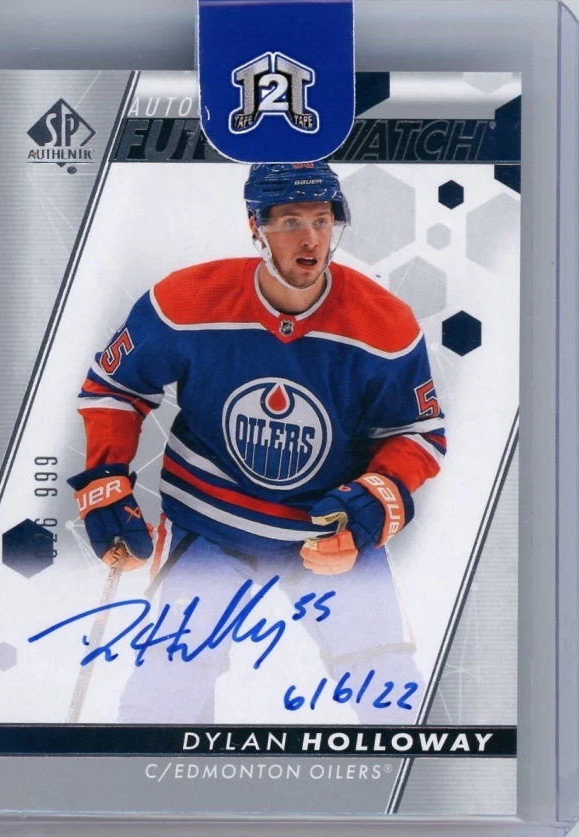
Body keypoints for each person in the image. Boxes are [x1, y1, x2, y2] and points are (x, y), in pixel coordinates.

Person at [68, 162, 446, 723]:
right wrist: (106, 481)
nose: (311, 238)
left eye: (322, 220)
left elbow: (417, 433)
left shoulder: (385, 325)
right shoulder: (186, 301)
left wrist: (374, 501)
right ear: (256, 227)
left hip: (328, 533)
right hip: (208, 529)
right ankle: (159, 780)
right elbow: (114, 387)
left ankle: (416, 781)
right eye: (291, 221)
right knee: (165, 693)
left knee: (389, 691)